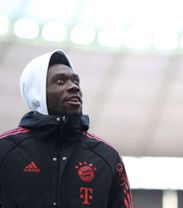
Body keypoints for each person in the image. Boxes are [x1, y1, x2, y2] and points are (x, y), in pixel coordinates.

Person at [0, 50, 134, 208]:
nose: (74, 87)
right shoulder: (4, 150)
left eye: (76, 82)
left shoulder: (107, 156)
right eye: (60, 81)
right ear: (37, 93)